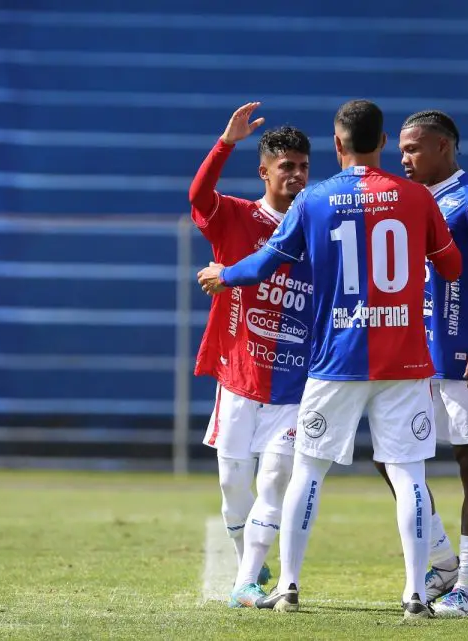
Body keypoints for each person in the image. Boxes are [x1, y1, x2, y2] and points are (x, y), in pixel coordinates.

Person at [197, 99, 462, 619]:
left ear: (338, 145)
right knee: (408, 472)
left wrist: (222, 275)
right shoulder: (415, 197)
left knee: (308, 473)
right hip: (404, 362)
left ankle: (290, 585)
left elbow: (267, 263)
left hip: (335, 358)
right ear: (384, 142)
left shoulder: (314, 200)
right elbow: (450, 267)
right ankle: (414, 593)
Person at [378, 110, 468, 617]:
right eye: (401, 149)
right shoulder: (412, 200)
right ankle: (441, 559)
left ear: (444, 147)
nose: (404, 157)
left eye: (413, 148)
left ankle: (467, 589)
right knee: (389, 457)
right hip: (416, 358)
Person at [188, 101, 313, 608]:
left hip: (294, 383)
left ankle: (245, 581)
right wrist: (226, 142)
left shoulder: (316, 223)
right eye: (287, 167)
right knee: (232, 483)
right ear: (265, 171)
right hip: (238, 376)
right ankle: (252, 568)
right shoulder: (237, 216)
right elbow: (198, 197)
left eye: (304, 166)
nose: (298, 175)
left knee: (277, 476)